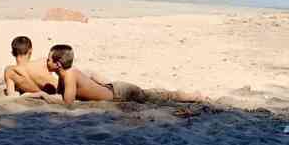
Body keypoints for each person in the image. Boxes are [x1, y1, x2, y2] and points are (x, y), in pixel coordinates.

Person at [27, 44, 200, 105]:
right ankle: (188, 95)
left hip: (119, 93)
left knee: (157, 96)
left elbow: (67, 102)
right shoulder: (64, 75)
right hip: (114, 90)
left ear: (57, 64)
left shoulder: (70, 75)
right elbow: (61, 95)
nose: (46, 62)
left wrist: (41, 95)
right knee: (152, 94)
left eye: (48, 59)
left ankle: (192, 96)